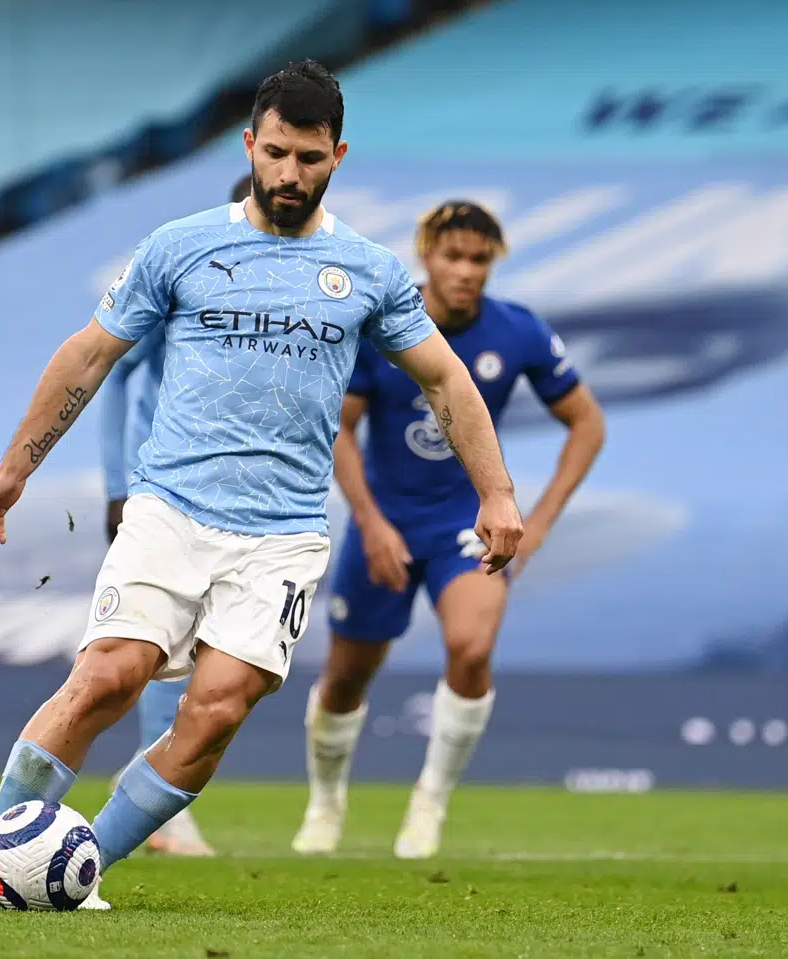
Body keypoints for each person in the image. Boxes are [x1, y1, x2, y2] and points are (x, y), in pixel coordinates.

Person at [0, 61, 522, 910]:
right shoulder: (181, 246)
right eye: (275, 153)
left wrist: (495, 492)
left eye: (309, 159)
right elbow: (91, 354)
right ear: (250, 144)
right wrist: (15, 470)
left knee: (218, 709)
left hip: (283, 536)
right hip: (172, 509)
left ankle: (77, 867)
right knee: (106, 678)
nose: (289, 175)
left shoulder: (369, 271)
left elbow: (448, 382)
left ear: (337, 155)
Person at [291, 201, 607, 860]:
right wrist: (370, 522)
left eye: (478, 259)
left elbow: (588, 423)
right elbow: (339, 431)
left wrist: (540, 517)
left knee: (470, 647)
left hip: (463, 524)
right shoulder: (384, 328)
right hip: (387, 523)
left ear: (494, 263)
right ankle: (326, 802)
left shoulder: (517, 331)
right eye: (452, 256)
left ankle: (430, 799)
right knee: (347, 678)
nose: (465, 271)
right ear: (425, 257)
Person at [96, 173, 252, 859]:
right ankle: (156, 806)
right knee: (161, 646)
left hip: (246, 497)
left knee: (214, 654)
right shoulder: (190, 269)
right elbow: (118, 371)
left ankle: (148, 789)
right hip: (162, 487)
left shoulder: (301, 292)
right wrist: (115, 483)